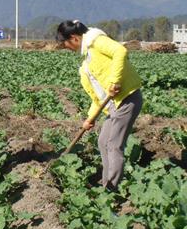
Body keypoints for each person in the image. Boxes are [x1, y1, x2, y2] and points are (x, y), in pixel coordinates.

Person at [56, 20, 143, 190]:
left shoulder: (96, 40)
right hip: (112, 104)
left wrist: (115, 81)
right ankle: (106, 183)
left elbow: (120, 51)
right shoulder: (86, 61)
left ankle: (111, 188)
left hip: (126, 99)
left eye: (65, 43)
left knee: (114, 144)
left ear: (74, 38)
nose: (66, 47)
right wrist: (90, 118)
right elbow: (98, 96)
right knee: (103, 141)